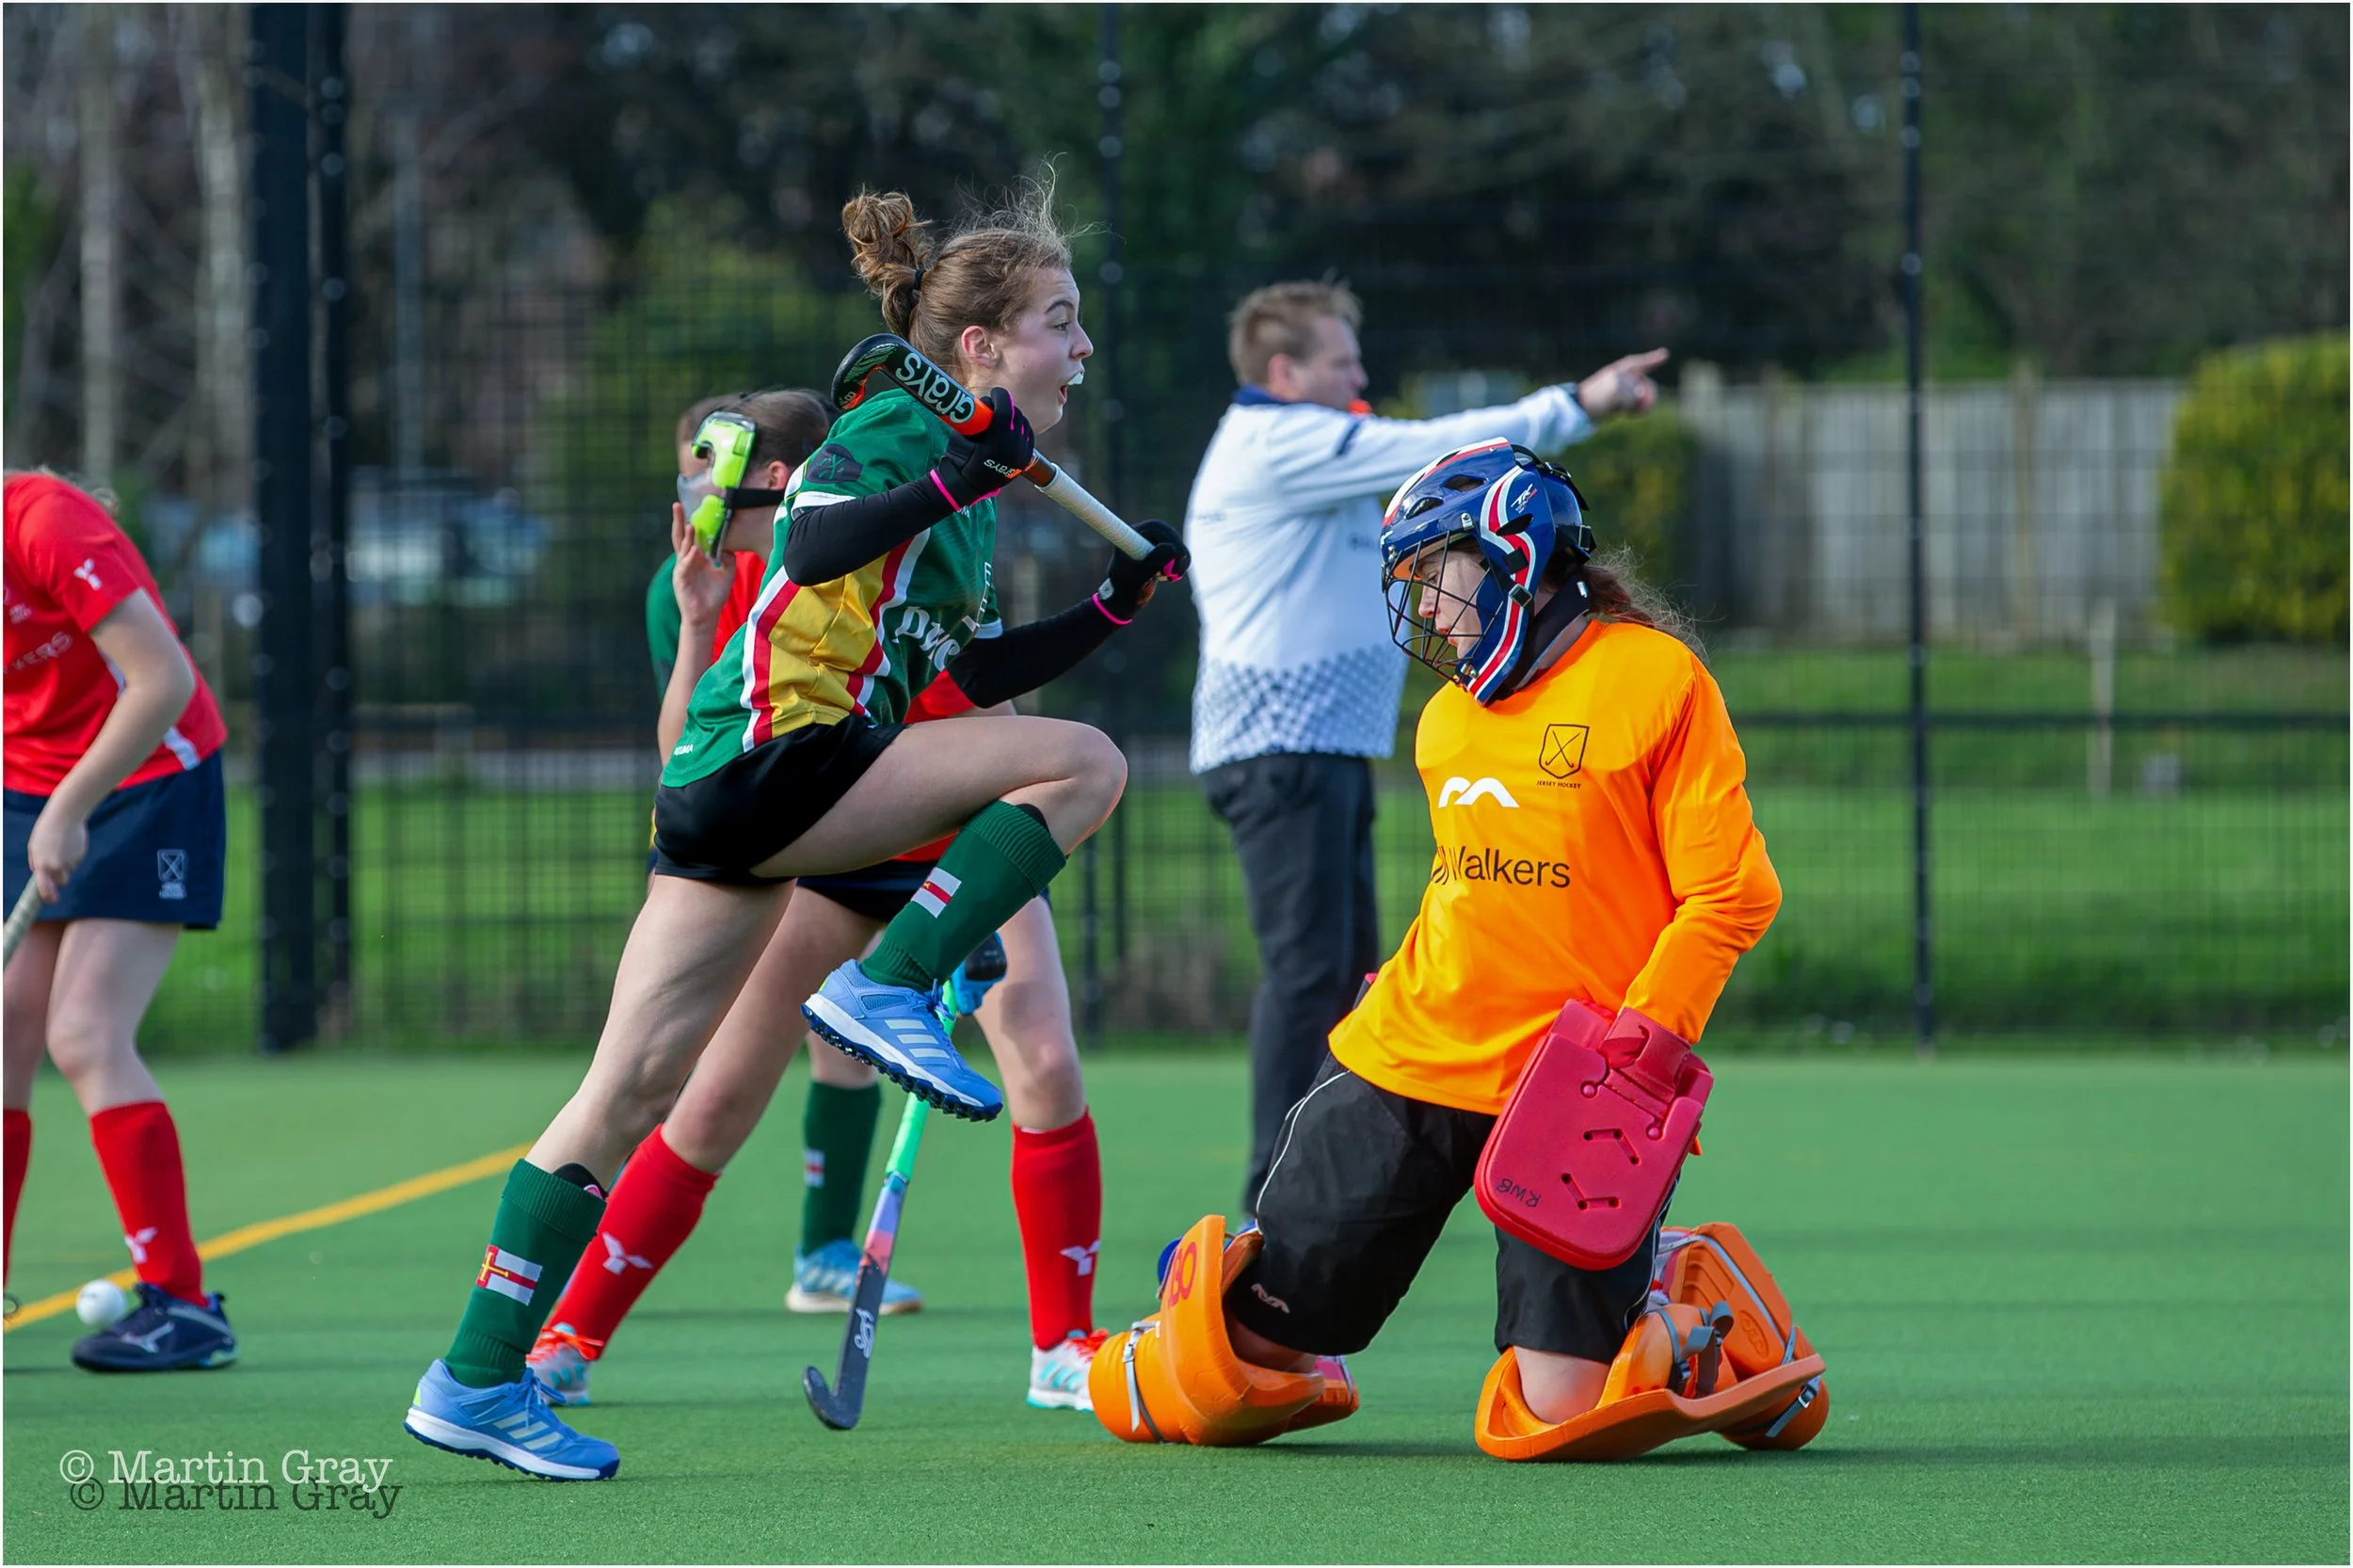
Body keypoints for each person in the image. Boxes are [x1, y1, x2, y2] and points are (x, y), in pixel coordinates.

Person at [404, 176, 1188, 1480]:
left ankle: (474, 1377)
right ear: (981, 350)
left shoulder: (963, 496)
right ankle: (888, 987)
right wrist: (952, 471)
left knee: (628, 1093)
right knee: (1087, 767)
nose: (1084, 347)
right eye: (1062, 318)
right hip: (789, 754)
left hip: (729, 789)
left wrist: (1109, 609)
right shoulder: (890, 424)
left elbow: (965, 675)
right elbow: (817, 542)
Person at [1092, 442, 1827, 1461]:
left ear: (1511, 551)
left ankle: (1688, 1302)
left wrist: (1647, 1037)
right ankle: (1623, 1295)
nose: (1424, 609)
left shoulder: (1657, 680)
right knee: (1231, 1366)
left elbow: (1730, 890)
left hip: (1584, 1085)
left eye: (1432, 574)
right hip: (1410, 1056)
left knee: (1563, 1418)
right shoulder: (1447, 721)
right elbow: (1474, 889)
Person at [521, 390, 1113, 1414]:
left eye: (718, 466)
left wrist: (969, 903)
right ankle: (569, 1336)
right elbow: (688, 761)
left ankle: (1061, 1347)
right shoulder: (693, 579)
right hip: (818, 836)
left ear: (788, 474)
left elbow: (986, 697)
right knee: (708, 1097)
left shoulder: (897, 526)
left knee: (1046, 1056)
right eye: (691, 464)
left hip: (949, 828)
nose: (698, 491)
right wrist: (701, 616)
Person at [1184, 278, 1671, 1217]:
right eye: (1340, 358)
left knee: (1344, 966)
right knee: (1308, 973)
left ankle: (1321, 1180)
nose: (1361, 373)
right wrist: (1581, 403)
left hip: (1314, 748)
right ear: (1286, 372)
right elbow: (1435, 453)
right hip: (1282, 750)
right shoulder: (1280, 439)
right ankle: (1270, 1200)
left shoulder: (1297, 447)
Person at [2, 471, 238, 1372]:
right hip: (24, 783)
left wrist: (68, 810)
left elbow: (162, 680)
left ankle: (184, 1305)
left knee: (85, 1032)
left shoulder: (43, 522)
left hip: (147, 768)